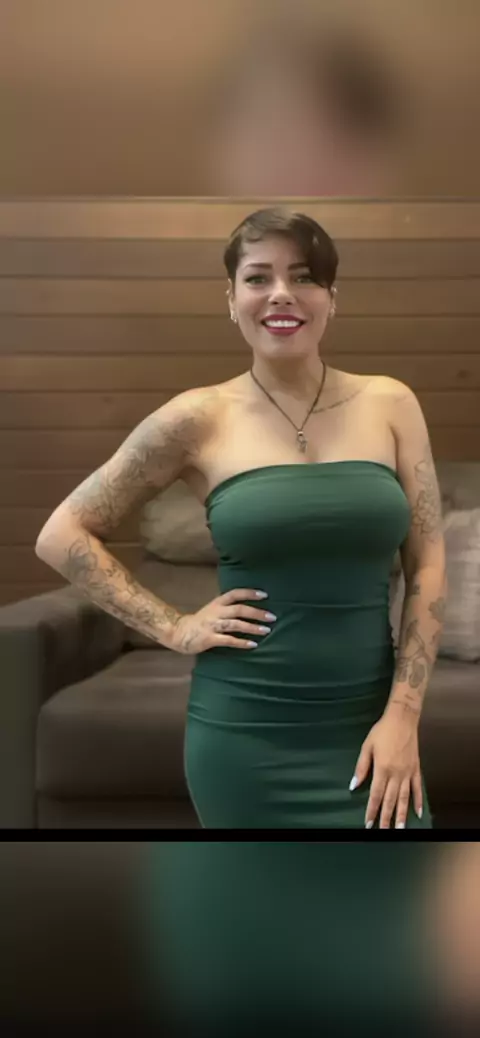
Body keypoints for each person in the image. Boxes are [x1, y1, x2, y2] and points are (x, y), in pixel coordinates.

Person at [35, 206, 447, 829]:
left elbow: (428, 563)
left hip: (371, 725)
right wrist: (174, 627)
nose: (281, 293)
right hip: (245, 735)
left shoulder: (391, 403)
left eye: (303, 276)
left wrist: (403, 717)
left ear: (332, 299)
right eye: (258, 277)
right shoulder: (196, 418)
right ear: (231, 300)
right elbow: (61, 534)